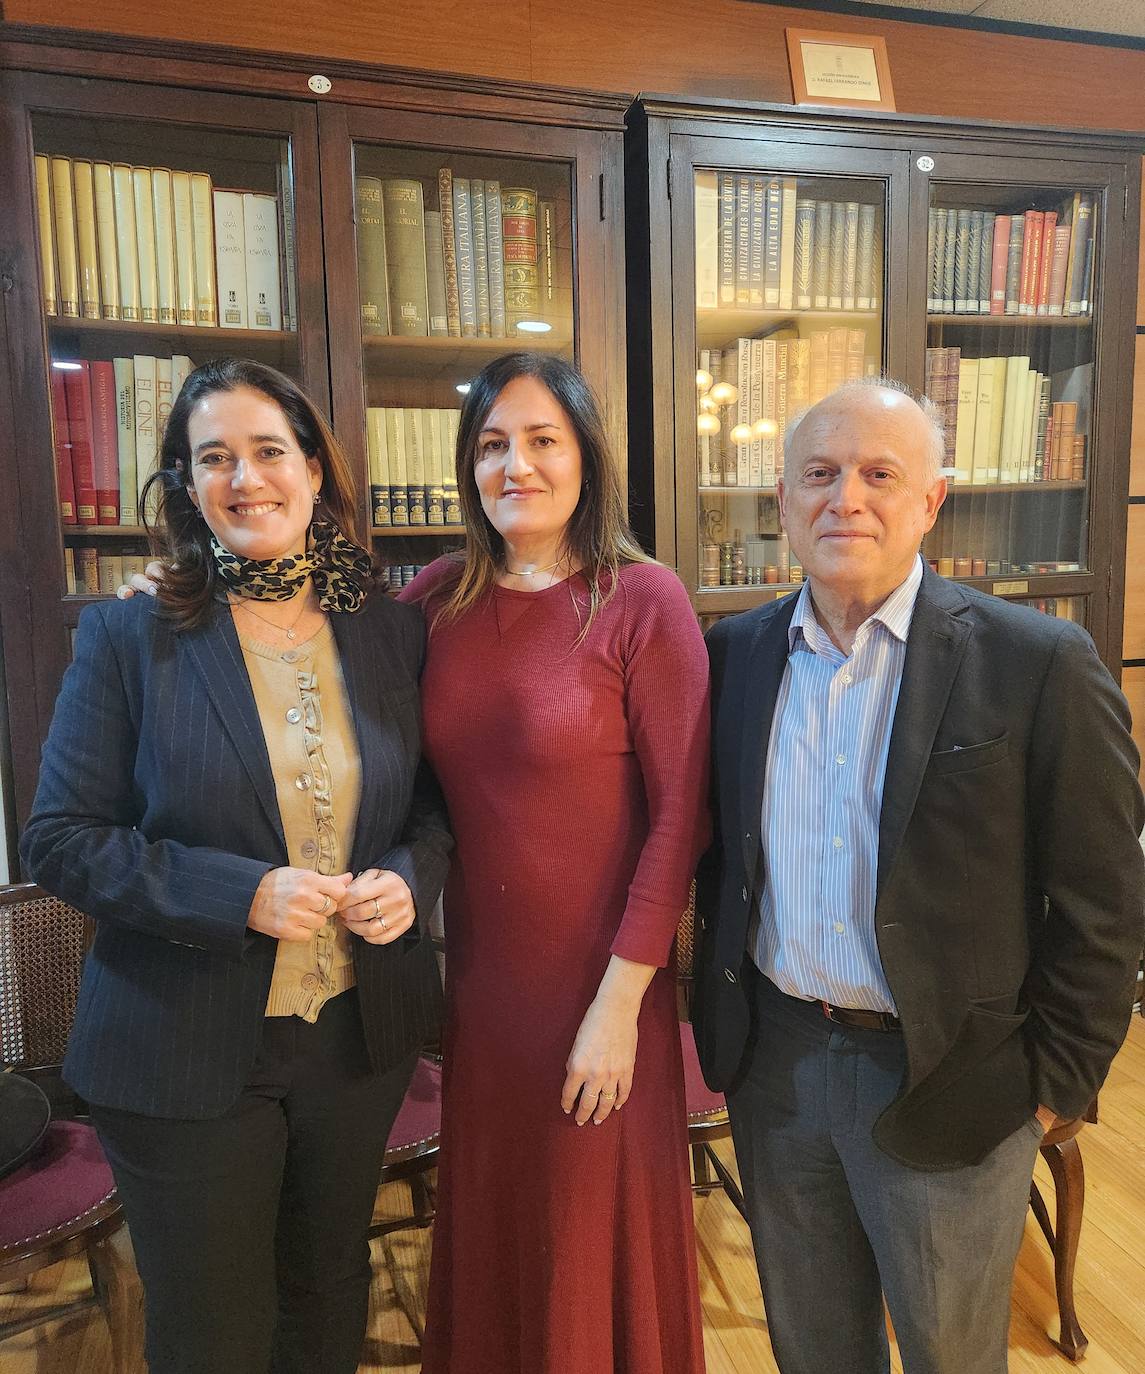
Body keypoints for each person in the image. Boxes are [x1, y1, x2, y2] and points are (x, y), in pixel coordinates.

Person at [693, 378, 1145, 1374]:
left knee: (948, 1353)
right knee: (812, 1348)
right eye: (817, 475)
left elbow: (1104, 900)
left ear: (930, 500)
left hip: (952, 1077)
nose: (843, 499)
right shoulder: (733, 655)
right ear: (781, 502)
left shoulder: (1039, 662)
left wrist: (1052, 1086)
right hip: (774, 1067)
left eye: (876, 474)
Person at [20, 358, 452, 1374]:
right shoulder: (129, 633)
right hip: (182, 1043)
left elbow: (430, 807)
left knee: (327, 1293)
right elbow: (61, 837)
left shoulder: (387, 629)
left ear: (313, 470)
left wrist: (408, 874)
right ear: (185, 483)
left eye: (267, 452)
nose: (245, 479)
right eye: (214, 458)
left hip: (357, 1037)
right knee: (214, 1330)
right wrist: (239, 894)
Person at [397, 351, 711, 1373]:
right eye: (491, 445)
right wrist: (176, 586)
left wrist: (620, 1007)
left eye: (541, 441)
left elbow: (680, 822)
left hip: (602, 991)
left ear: (586, 460)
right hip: (486, 989)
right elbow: (313, 650)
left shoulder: (641, 600)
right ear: (466, 466)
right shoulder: (436, 600)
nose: (514, 466)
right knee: (497, 1226)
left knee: (588, 1240)